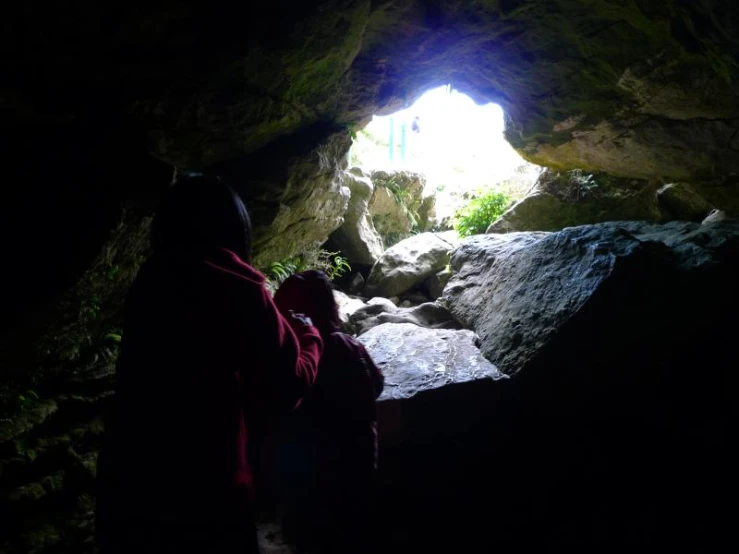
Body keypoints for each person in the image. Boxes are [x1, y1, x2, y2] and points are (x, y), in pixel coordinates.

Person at [95, 174, 323, 554]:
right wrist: (310, 336)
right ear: (237, 228)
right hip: (206, 492)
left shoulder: (152, 279)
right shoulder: (239, 287)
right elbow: (288, 386)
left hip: (130, 480)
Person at [273, 271, 384, 554]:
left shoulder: (297, 354)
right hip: (356, 469)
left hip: (311, 481)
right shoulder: (351, 346)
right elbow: (378, 383)